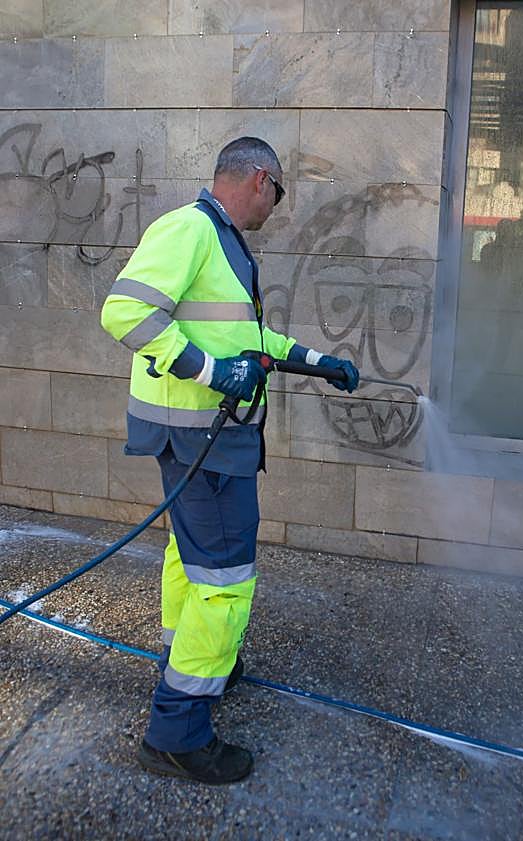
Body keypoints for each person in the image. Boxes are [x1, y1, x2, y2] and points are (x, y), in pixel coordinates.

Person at [100, 137, 359, 785]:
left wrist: (317, 362)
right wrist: (215, 374)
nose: (276, 207)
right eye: (279, 193)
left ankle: (190, 659)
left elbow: (248, 341)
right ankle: (177, 732)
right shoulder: (188, 229)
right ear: (260, 179)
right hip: (202, 441)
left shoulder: (221, 240)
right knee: (224, 578)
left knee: (190, 559)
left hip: (203, 440)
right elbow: (125, 310)